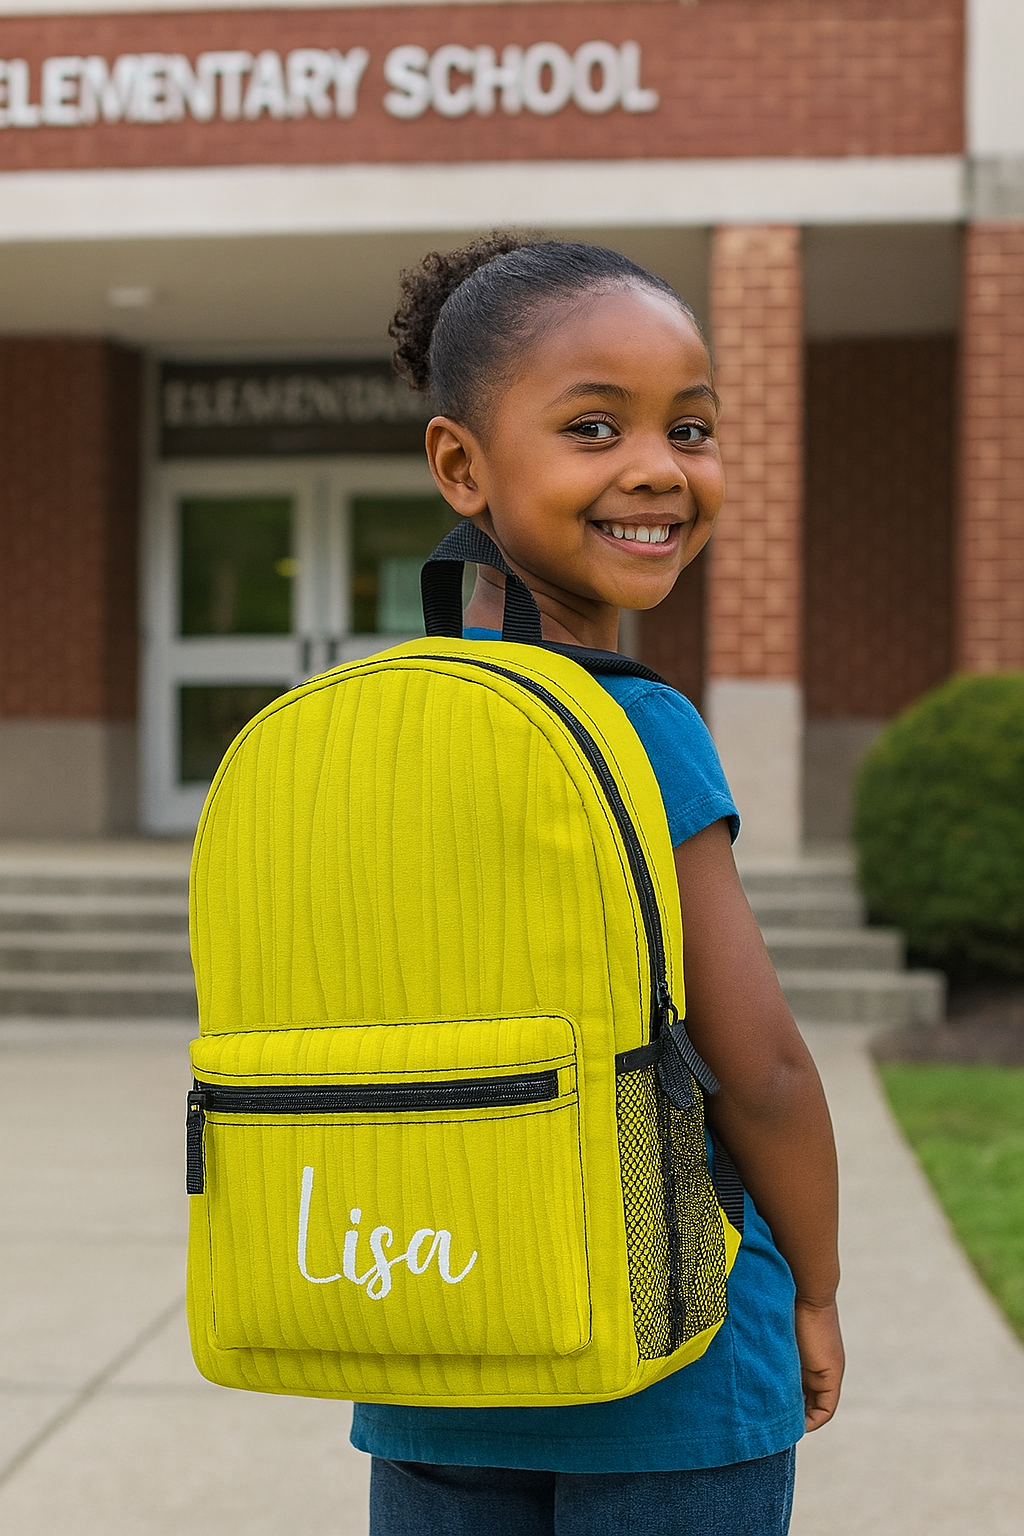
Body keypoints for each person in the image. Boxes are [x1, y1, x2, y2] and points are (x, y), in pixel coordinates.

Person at [350, 234, 844, 1535]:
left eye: (691, 427)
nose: (656, 469)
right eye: (592, 426)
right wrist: (818, 1286)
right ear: (461, 464)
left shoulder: (384, 728)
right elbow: (762, 1064)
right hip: (665, 1358)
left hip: (436, 1332)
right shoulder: (640, 726)